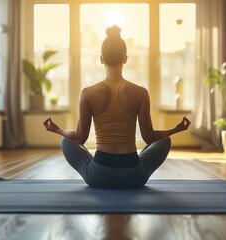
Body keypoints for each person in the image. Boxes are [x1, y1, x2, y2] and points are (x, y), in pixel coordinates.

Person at [44, 25, 191, 188]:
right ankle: (136, 164)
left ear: (101, 58)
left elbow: (80, 138)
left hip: (98, 176)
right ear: (125, 58)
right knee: (165, 141)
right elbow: (149, 137)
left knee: (66, 141)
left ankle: (103, 165)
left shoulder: (87, 93)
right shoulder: (140, 92)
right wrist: (176, 129)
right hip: (134, 176)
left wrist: (57, 130)